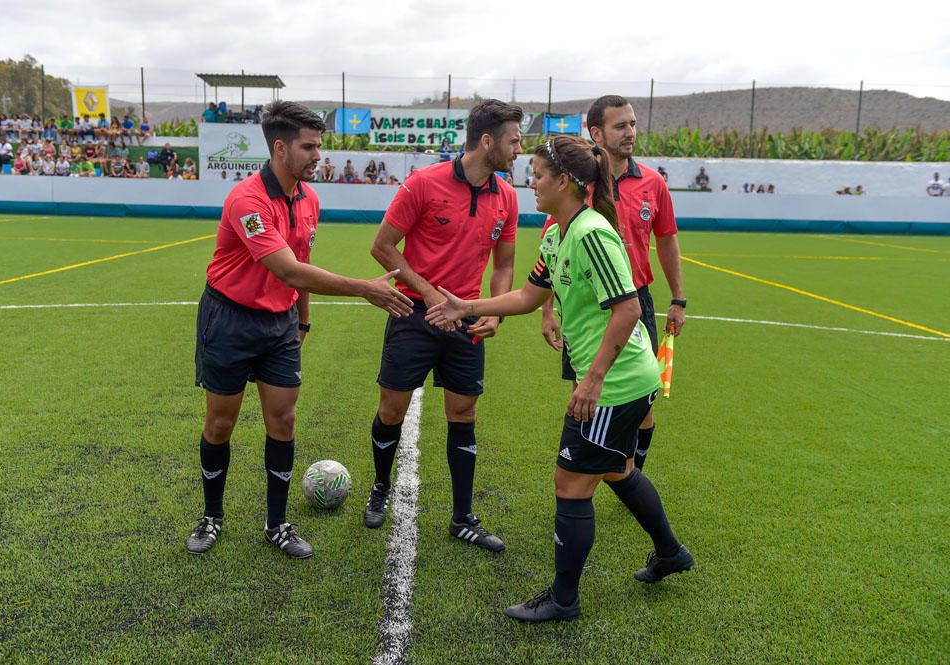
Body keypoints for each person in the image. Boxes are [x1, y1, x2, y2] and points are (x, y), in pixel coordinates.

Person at [426, 136, 693, 622]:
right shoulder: (556, 233)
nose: (531, 182)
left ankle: (564, 599)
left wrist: (591, 381)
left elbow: (629, 309)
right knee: (616, 470)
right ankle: (671, 553)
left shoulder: (593, 232)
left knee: (570, 484)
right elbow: (529, 297)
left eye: (539, 174)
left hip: (616, 385)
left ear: (565, 181)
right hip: (620, 382)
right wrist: (469, 306)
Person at [186, 101, 413, 560]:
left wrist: (302, 318)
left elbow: (301, 263)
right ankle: (212, 517)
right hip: (229, 319)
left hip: (281, 324)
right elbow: (288, 269)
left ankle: (276, 524)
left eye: (319, 146)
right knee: (221, 423)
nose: (317, 155)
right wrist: (364, 288)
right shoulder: (247, 201)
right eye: (309, 147)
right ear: (280, 147)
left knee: (283, 421)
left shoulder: (309, 198)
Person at [363, 99, 523, 552]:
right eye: (513, 140)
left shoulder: (507, 197)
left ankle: (462, 517)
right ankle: (380, 487)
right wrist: (430, 293)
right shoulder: (423, 183)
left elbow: (504, 265)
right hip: (412, 315)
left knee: (463, 414)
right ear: (487, 141)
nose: (519, 149)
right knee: (391, 410)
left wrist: (493, 309)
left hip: (465, 320)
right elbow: (383, 247)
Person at [542, 94, 685, 472]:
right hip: (585, 303)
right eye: (620, 126)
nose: (630, 132)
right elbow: (551, 250)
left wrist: (678, 299)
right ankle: (585, 467)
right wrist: (548, 310)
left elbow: (667, 239)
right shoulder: (575, 183)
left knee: (643, 405)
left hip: (633, 301)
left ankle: (630, 472)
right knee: (582, 393)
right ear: (595, 132)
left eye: (633, 124)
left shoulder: (653, 183)